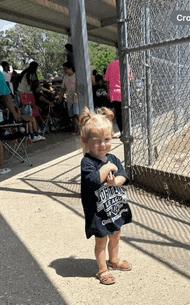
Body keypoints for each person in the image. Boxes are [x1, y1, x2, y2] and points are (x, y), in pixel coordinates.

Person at [80, 107, 132, 285]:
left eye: (107, 140)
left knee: (116, 235)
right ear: (85, 141)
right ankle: (102, 269)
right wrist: (106, 169)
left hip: (114, 207)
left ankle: (114, 260)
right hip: (98, 211)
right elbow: (93, 181)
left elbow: (125, 175)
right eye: (97, 141)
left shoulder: (114, 158)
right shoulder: (87, 162)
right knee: (101, 240)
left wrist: (116, 181)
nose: (103, 145)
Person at [57, 61, 79, 134]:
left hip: (76, 98)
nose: (65, 71)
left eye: (66, 69)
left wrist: (76, 94)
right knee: (72, 116)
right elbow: (63, 89)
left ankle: (82, 128)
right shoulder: (65, 78)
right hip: (69, 98)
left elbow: (78, 87)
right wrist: (60, 97)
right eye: (64, 69)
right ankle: (75, 129)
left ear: (70, 68)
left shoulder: (76, 76)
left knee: (76, 114)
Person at [105, 59, 122, 134]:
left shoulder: (110, 65)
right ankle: (127, 130)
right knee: (126, 112)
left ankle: (122, 131)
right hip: (124, 92)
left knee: (118, 113)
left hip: (114, 93)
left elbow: (107, 81)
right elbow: (130, 80)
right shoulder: (126, 64)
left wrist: (109, 93)